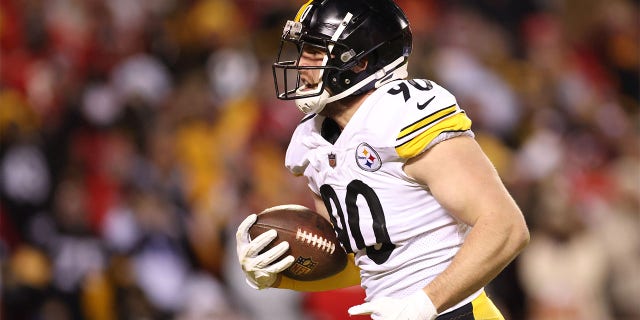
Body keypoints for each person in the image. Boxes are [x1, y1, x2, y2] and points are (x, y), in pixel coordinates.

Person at [235, 0, 530, 319]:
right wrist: (280, 275)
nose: (302, 64)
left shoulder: (403, 115)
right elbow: (362, 262)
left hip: (457, 312)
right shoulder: (311, 141)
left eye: (316, 52)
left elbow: (506, 226)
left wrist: (423, 303)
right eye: (303, 49)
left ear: (359, 62)